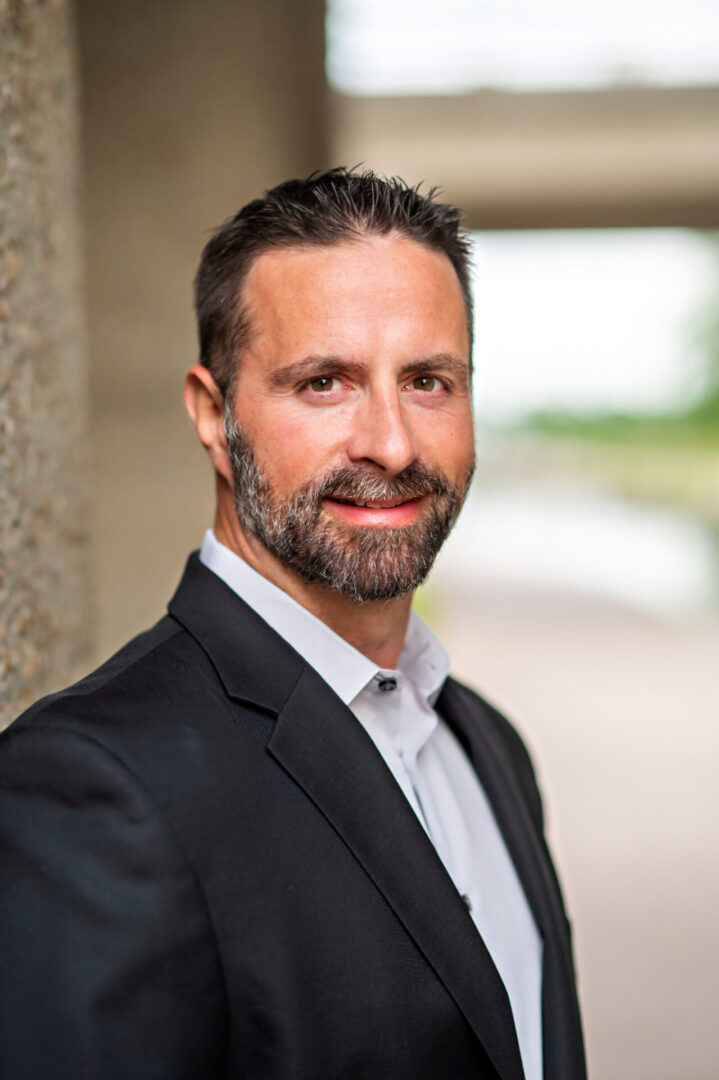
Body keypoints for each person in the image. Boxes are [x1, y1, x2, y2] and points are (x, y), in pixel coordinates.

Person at [0, 169, 585, 1080]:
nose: (390, 443)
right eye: (323, 383)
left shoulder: (487, 746)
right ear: (213, 415)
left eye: (428, 381)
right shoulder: (91, 785)